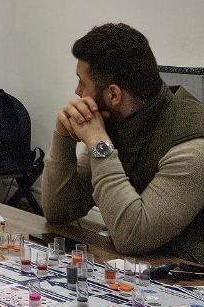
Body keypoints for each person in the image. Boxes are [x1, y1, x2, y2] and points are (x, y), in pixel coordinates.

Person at [42, 22, 204, 261]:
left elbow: (133, 237)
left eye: (82, 82)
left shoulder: (193, 148)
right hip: (144, 268)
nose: (77, 92)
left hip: (190, 274)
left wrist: (99, 143)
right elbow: (59, 211)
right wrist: (63, 137)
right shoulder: (118, 121)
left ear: (114, 94)